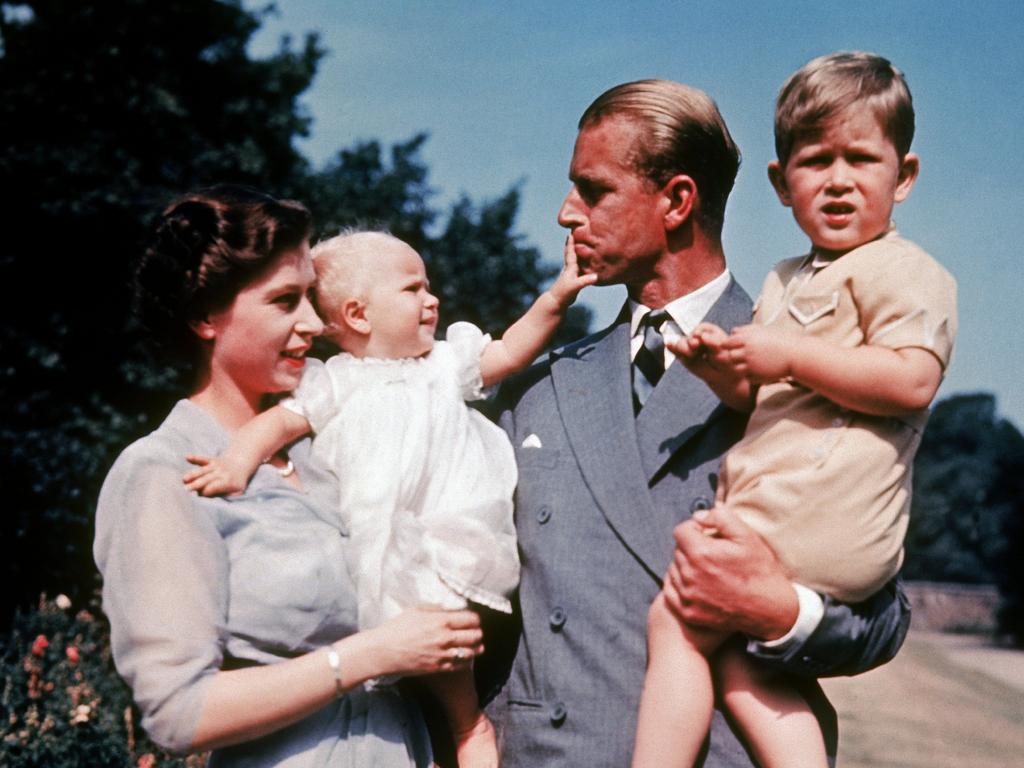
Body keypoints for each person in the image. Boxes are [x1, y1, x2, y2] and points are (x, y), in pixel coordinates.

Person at [483, 79, 914, 767]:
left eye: (592, 191)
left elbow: (882, 619)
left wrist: (778, 610)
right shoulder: (537, 387)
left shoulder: (819, 368)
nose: (566, 214)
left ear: (678, 200)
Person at [633, 53, 957, 768]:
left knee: (677, 621)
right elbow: (765, 398)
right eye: (815, 162)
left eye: (861, 160)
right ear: (783, 184)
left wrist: (787, 354)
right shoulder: (786, 278)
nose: (838, 180)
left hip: (827, 515)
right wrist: (727, 372)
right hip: (783, 506)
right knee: (744, 661)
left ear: (902, 177)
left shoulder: (908, 272)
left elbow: (910, 382)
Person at [94, 185, 487, 768]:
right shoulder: (160, 472)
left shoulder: (333, 449)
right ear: (206, 316)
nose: (315, 322)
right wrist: (371, 655)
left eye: (311, 297)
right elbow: (178, 713)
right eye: (285, 302)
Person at [181, 229, 595, 767]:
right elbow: (276, 425)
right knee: (378, 652)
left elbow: (510, 351)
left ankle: (471, 731)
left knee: (447, 660)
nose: (433, 299)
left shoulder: (444, 365)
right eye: (413, 289)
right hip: (370, 543)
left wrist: (558, 295)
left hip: (444, 542)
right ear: (358, 315)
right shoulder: (334, 382)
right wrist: (236, 464)